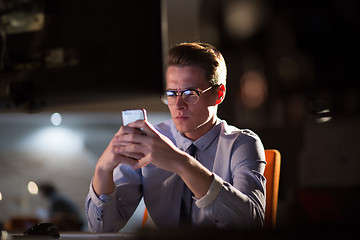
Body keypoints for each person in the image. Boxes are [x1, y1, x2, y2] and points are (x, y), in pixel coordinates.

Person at [85, 42, 266, 232]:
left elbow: (252, 225)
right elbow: (102, 228)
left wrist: (180, 163)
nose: (178, 104)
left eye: (190, 93)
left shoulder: (242, 144)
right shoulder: (150, 141)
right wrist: (102, 170)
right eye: (171, 93)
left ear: (219, 94)